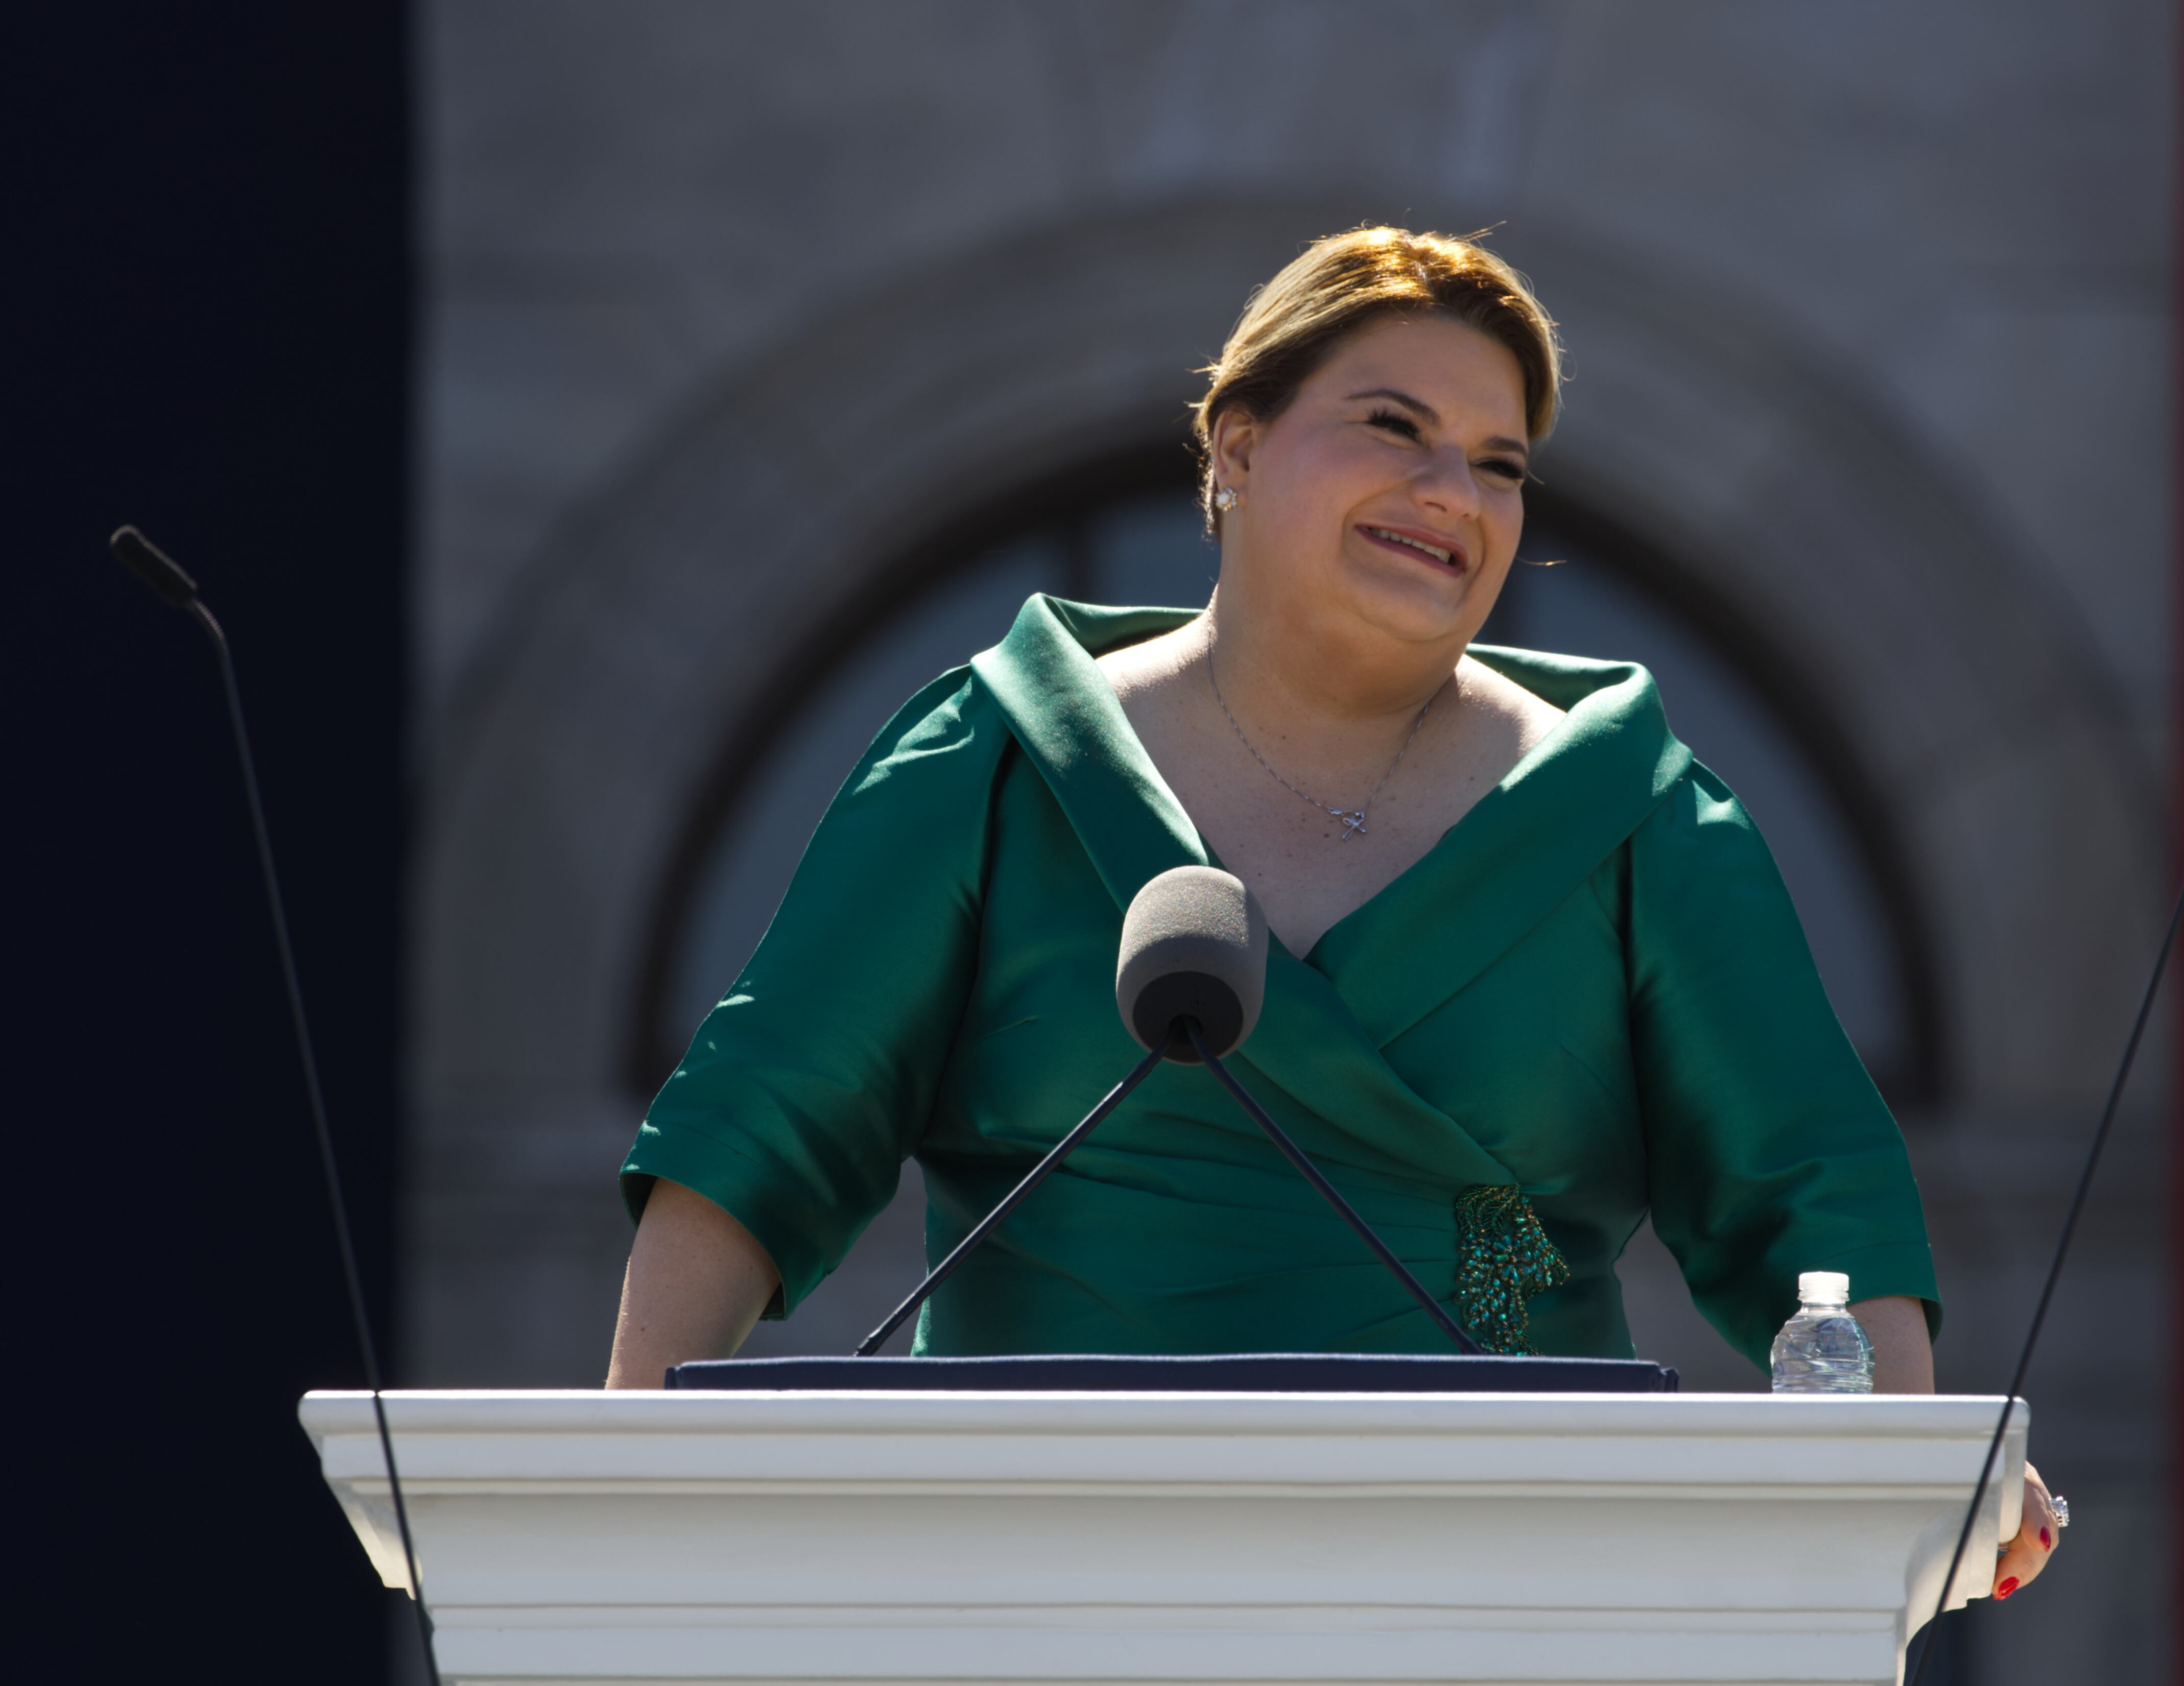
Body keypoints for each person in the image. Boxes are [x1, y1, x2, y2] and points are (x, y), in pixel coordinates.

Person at [604, 226, 2061, 1597]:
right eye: (1393, 425)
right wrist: (622, 1509)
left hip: (1510, 1585)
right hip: (1032, 1578)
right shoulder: (994, 760)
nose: (1457, 494)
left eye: (1500, 466)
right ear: (1235, 445)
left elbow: (1816, 1192)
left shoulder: (1637, 817)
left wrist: (1906, 1484)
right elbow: (757, 1138)